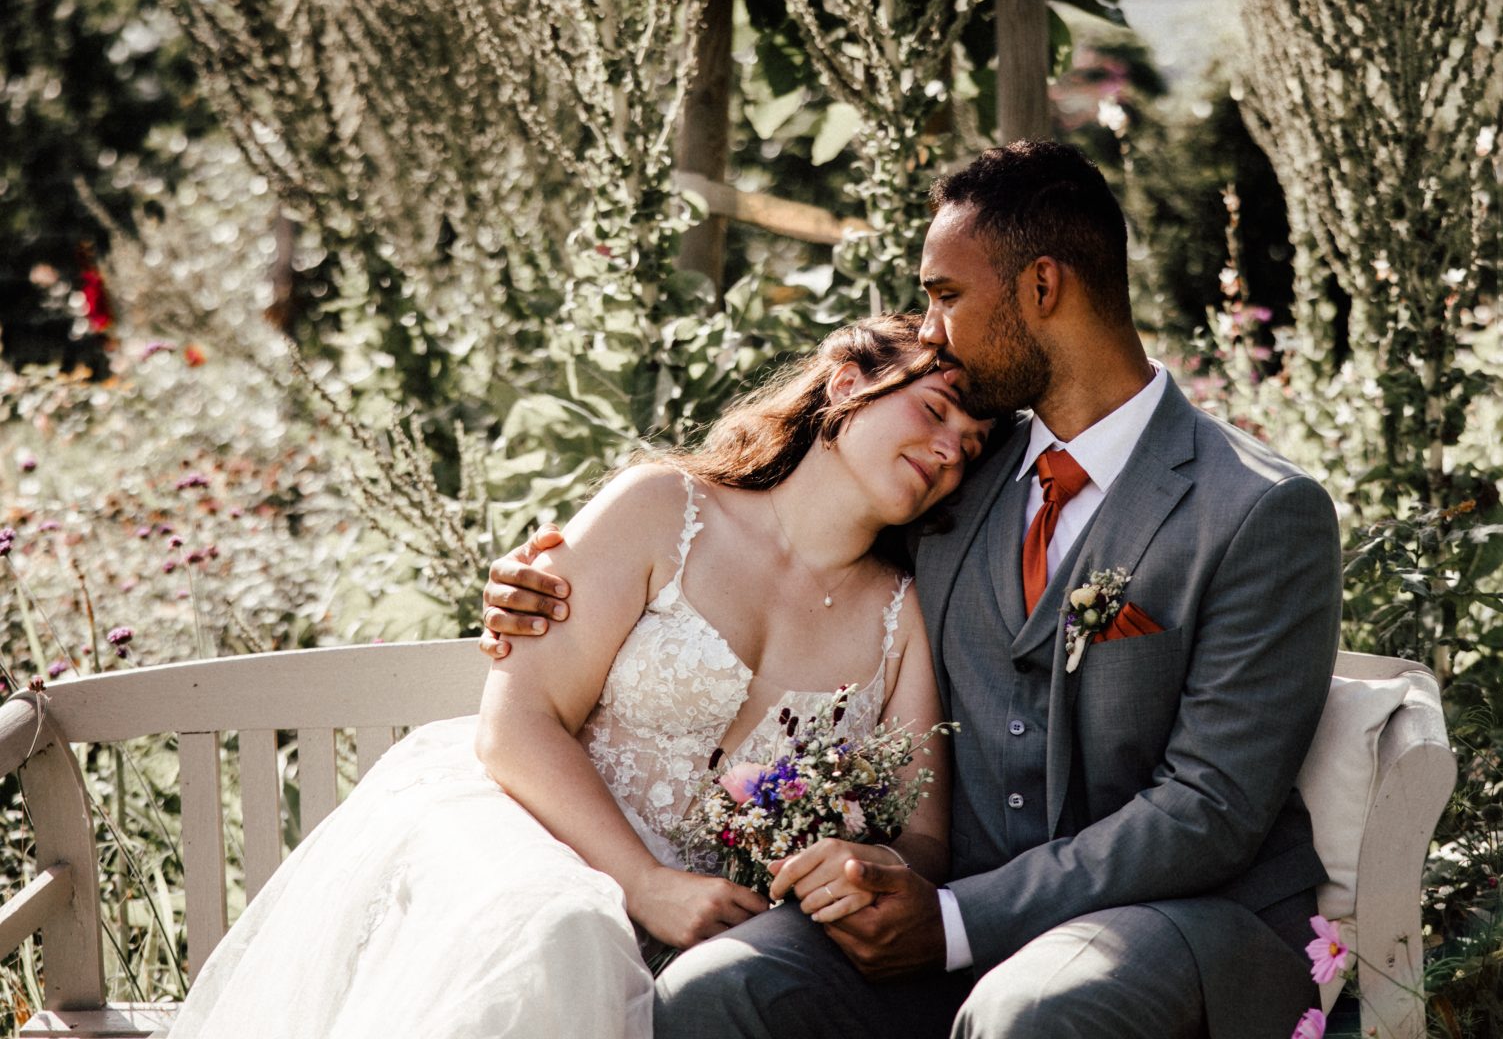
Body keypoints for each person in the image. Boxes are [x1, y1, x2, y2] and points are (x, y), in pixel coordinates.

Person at [482, 140, 1343, 1038]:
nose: (930, 332)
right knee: (721, 987)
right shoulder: (961, 475)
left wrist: (958, 918)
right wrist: (539, 586)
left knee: (1031, 1014)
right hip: (943, 917)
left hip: (1175, 920)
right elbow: (794, 533)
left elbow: (1210, 809)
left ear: (1041, 286)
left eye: (945, 295)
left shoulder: (1256, 510)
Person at [165, 314, 989, 1039]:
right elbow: (518, 721)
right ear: (846, 386)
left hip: (720, 932)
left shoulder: (902, 616)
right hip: (539, 837)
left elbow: (923, 841)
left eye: (973, 446)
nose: (951, 450)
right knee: (563, 932)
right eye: (934, 410)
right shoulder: (664, 510)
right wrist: (645, 884)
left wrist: (851, 867)